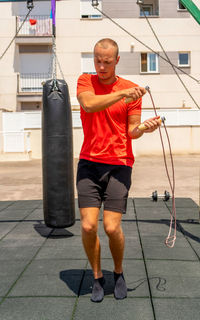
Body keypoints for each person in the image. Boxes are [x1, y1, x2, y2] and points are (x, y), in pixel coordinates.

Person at [76, 38, 160, 302]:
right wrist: (122, 94)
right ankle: (98, 277)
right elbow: (89, 104)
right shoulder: (85, 81)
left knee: (112, 228)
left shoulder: (131, 90)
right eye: (97, 60)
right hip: (89, 163)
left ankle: (119, 272)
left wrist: (145, 128)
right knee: (89, 226)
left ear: (117, 60)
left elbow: (131, 132)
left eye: (107, 62)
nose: (101, 66)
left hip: (119, 164)